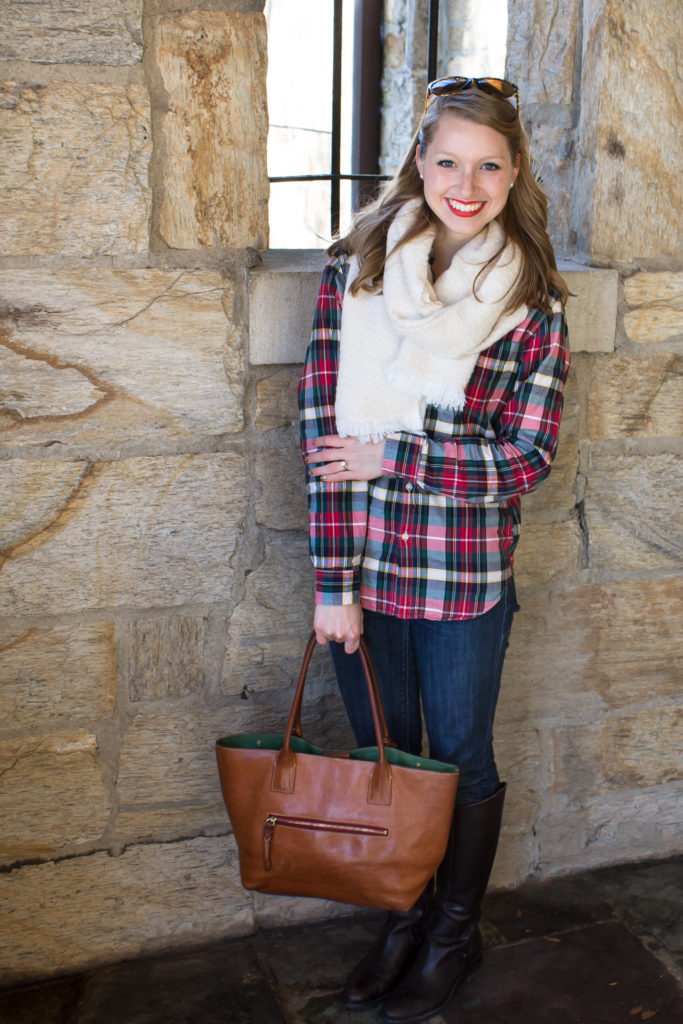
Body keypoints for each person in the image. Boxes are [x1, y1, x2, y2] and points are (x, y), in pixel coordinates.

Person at [297, 75, 570, 1024]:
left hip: (462, 581)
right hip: (366, 574)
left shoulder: (531, 304)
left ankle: (453, 931)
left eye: (488, 164)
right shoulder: (353, 276)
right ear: (418, 161)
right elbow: (323, 444)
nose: (466, 181)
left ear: (513, 173)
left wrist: (394, 454)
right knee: (390, 754)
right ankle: (403, 919)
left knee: (458, 758)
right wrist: (333, 583)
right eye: (448, 159)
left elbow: (524, 458)